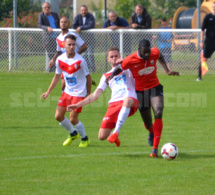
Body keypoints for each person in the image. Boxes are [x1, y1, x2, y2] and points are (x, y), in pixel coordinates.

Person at [107, 39, 179, 158]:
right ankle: (152, 133)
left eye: (148, 52)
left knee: (159, 113)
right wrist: (112, 75)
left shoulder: (154, 52)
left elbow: (160, 56)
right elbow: (121, 67)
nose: (147, 55)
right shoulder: (130, 59)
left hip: (155, 87)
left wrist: (167, 70)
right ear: (139, 50)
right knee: (148, 123)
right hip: (140, 92)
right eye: (144, 52)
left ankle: (155, 149)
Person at [67, 47, 139, 147]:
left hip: (130, 100)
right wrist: (77, 105)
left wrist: (125, 60)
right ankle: (114, 136)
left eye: (116, 56)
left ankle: (115, 132)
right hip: (114, 104)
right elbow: (95, 95)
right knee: (101, 136)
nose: (114, 58)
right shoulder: (106, 76)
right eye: (112, 56)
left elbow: (137, 57)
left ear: (120, 56)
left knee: (127, 100)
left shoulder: (127, 68)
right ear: (108, 59)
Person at [40, 34, 91, 147]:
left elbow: (88, 77)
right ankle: (73, 134)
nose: (72, 47)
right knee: (58, 116)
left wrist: (88, 94)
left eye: (74, 44)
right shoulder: (60, 59)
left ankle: (84, 139)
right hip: (67, 92)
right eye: (69, 44)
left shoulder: (81, 61)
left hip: (79, 93)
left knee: (73, 118)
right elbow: (57, 76)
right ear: (64, 45)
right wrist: (48, 91)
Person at [49, 16, 88, 91]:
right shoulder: (58, 38)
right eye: (62, 22)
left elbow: (84, 46)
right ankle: (66, 100)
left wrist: (76, 54)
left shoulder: (73, 35)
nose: (63, 24)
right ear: (59, 24)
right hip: (64, 63)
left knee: (70, 85)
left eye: (65, 22)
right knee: (63, 86)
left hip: (74, 63)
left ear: (68, 24)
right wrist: (53, 59)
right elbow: (59, 51)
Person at [72, 5, 96, 72]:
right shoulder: (77, 17)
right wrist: (78, 28)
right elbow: (74, 26)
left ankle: (93, 70)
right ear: (80, 11)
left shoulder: (90, 16)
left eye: (85, 10)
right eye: (82, 10)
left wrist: (81, 28)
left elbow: (91, 25)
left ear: (87, 10)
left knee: (90, 55)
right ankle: (83, 69)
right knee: (80, 55)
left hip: (90, 40)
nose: (84, 11)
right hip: (81, 41)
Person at [38, 2, 60, 72]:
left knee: (58, 54)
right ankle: (53, 70)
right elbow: (40, 25)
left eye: (48, 7)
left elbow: (59, 24)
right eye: (45, 7)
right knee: (51, 56)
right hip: (48, 39)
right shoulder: (41, 15)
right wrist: (47, 28)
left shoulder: (55, 15)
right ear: (43, 8)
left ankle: (55, 70)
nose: (47, 8)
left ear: (50, 8)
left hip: (57, 38)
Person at [197, 1, 215, 81]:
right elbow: (202, 29)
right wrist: (201, 41)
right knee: (204, 58)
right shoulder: (208, 17)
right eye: (214, 6)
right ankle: (199, 76)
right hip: (209, 41)